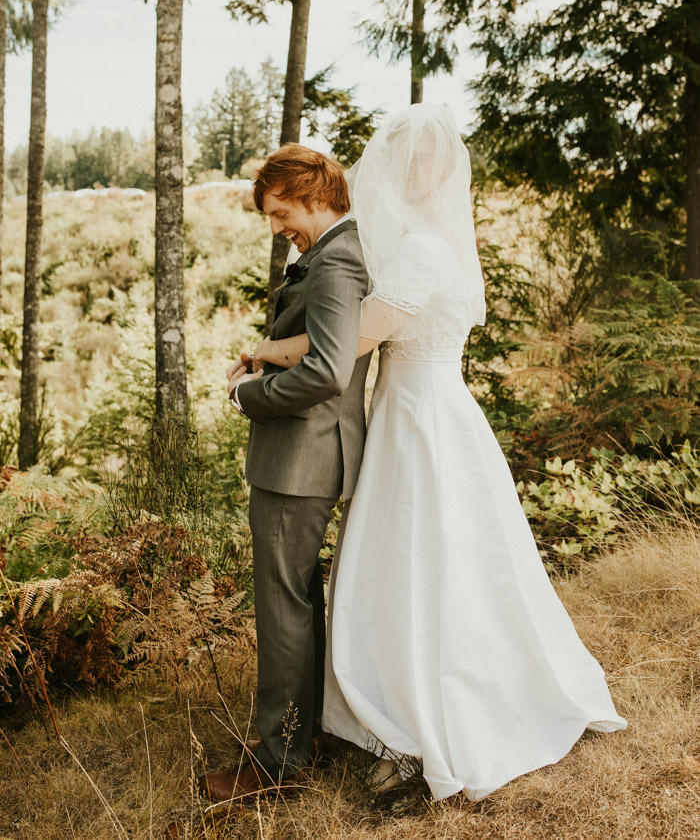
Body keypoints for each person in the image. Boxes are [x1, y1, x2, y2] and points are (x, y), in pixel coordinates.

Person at [248, 103, 627, 802]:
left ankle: (426, 716)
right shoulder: (440, 242)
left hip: (417, 418)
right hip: (435, 410)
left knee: (417, 563)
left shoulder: (418, 250)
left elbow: (356, 340)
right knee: (445, 560)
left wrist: (271, 351)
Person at [198, 143, 372, 803]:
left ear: (315, 195)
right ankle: (298, 737)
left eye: (280, 213)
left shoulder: (335, 262)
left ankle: (278, 764)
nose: (276, 228)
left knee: (283, 611)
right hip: (304, 455)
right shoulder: (333, 254)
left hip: (303, 457)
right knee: (297, 605)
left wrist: (247, 395)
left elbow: (330, 371)